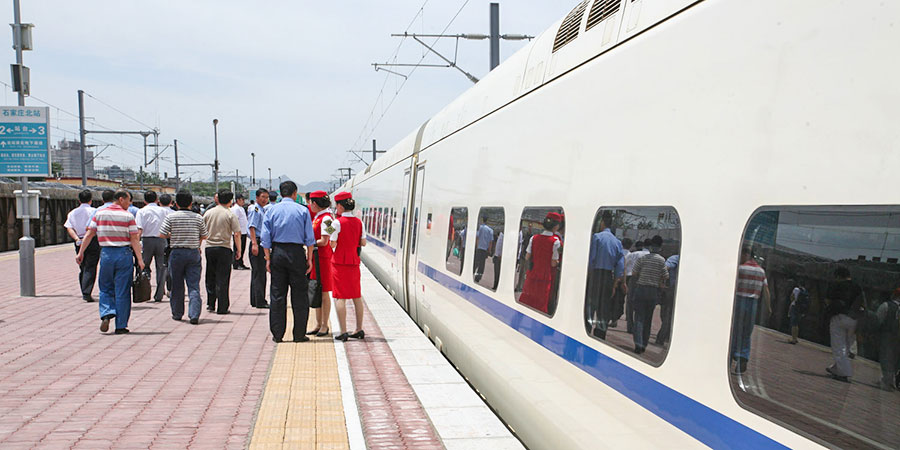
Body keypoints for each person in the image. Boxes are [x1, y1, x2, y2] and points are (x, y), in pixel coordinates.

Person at [76, 190, 145, 334]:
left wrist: (81, 252)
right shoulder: (128, 216)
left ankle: (106, 313)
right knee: (123, 290)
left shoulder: (99, 214)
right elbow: (134, 239)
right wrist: (139, 259)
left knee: (105, 287)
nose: (129, 203)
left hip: (106, 254)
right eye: (128, 200)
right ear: (121, 199)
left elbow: (89, 234)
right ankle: (121, 326)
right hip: (123, 254)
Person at [261, 181, 315, 343]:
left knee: (277, 294)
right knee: (299, 295)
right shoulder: (302, 210)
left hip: (277, 252)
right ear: (295, 193)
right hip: (297, 253)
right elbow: (310, 239)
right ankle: (299, 334)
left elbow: (265, 238)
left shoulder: (271, 210)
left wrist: (268, 258)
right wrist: (309, 259)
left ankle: (278, 334)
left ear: (280, 193)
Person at [159, 190, 208, 324]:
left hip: (177, 253)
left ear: (176, 203)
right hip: (193, 253)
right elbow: (204, 235)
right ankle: (194, 314)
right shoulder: (198, 217)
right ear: (191, 203)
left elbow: (162, 234)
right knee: (193, 285)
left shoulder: (171, 217)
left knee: (176, 285)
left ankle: (177, 313)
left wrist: (173, 235)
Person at [330, 191, 367, 341]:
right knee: (356, 295)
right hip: (354, 262)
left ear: (339, 206)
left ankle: (343, 331)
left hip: (339, 262)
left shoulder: (336, 223)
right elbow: (363, 242)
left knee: (340, 297)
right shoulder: (360, 222)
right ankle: (359, 328)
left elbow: (332, 242)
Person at [730, 246, 771, 374]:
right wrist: (768, 307)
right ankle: (743, 358)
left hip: (739, 301)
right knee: (747, 333)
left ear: (746, 254)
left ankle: (731, 356)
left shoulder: (740, 269)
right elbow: (766, 291)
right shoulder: (761, 271)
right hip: (753, 304)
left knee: (734, 331)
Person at [585, 211, 625, 339]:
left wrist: (590, 276)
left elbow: (591, 259)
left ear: (602, 222)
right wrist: (614, 284)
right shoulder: (617, 242)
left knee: (591, 304)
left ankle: (586, 328)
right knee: (604, 308)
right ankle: (600, 335)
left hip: (596, 275)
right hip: (608, 277)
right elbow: (620, 266)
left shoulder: (597, 237)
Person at [203, 189, 242, 314]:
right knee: (223, 278)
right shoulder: (230, 214)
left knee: (210, 276)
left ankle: (210, 303)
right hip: (224, 248)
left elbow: (202, 231)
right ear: (231, 201)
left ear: (217, 199)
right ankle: (222, 307)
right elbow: (236, 234)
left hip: (209, 247)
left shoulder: (208, 213)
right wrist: (239, 250)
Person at [824, 266, 864, 382]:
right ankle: (836, 368)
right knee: (846, 346)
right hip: (854, 319)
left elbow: (827, 300)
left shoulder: (835, 285)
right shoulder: (858, 287)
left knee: (838, 345)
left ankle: (844, 372)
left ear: (838, 276)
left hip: (839, 317)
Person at [518, 212, 563, 315]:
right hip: (545, 278)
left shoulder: (534, 238)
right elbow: (553, 263)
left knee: (526, 300)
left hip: (532, 275)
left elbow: (527, 256)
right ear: (556, 226)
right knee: (540, 306)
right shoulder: (555, 241)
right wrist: (558, 262)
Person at [630, 236, 668, 353]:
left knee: (639, 318)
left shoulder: (643, 259)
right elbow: (665, 276)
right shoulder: (662, 261)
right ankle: (644, 344)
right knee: (648, 318)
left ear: (651, 246)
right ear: (661, 247)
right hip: (653, 291)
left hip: (641, 289)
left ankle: (638, 344)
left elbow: (634, 273)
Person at [307, 191, 335, 337]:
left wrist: (308, 243)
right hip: (317, 258)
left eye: (311, 202)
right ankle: (318, 323)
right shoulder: (320, 217)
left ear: (315, 204)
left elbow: (325, 241)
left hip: (323, 259)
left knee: (324, 292)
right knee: (317, 290)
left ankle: (325, 325)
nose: (310, 205)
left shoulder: (326, 219)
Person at [135, 190, 170, 302]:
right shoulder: (164, 211)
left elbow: (139, 229)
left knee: (143, 265)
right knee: (161, 267)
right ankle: (159, 294)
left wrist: (137, 243)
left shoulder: (141, 211)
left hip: (147, 240)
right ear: (157, 200)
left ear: (144, 201)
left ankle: (144, 289)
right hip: (162, 240)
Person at [65, 189, 99, 302]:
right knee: (91, 266)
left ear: (79, 200)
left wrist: (76, 239)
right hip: (93, 240)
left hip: (79, 240)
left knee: (82, 266)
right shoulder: (95, 211)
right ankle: (87, 291)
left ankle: (84, 288)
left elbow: (69, 227)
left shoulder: (72, 213)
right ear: (91, 200)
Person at [248, 189, 270, 309]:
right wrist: (254, 243)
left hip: (258, 241)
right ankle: (260, 301)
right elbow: (252, 227)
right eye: (262, 197)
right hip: (257, 241)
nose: (264, 199)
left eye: (266, 197)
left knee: (257, 273)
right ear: (257, 197)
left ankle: (255, 299)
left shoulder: (261, 209)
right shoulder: (255, 209)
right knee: (260, 273)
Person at [875, 288, 900, 391]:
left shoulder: (887, 305)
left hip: (888, 335)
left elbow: (878, 319)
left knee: (886, 357)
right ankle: (891, 380)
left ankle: (887, 381)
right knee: (895, 359)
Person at [624, 240, 648, 333]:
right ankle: (640, 326)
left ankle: (630, 326)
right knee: (640, 303)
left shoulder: (632, 254)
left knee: (630, 302)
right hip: (643, 279)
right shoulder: (647, 254)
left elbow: (625, 266)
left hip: (631, 278)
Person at [656, 253, 679, 345]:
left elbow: (664, 269)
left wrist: (661, 282)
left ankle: (662, 337)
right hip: (675, 290)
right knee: (669, 315)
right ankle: (665, 336)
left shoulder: (675, 258)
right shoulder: (678, 259)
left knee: (666, 315)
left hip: (672, 290)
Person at [231, 194, 250, 270]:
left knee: (242, 249)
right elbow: (235, 220)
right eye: (242, 200)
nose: (243, 201)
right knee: (237, 248)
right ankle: (236, 263)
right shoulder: (236, 209)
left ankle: (241, 263)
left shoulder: (241, 208)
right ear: (238, 200)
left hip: (243, 232)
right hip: (239, 232)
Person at [474, 217, 493, 283]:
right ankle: (477, 278)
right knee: (481, 265)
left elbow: (477, 237)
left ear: (483, 220)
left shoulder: (480, 228)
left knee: (476, 262)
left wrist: (477, 246)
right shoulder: (490, 230)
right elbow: (490, 242)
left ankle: (472, 273)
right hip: (484, 249)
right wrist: (489, 250)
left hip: (479, 248)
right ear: (487, 221)